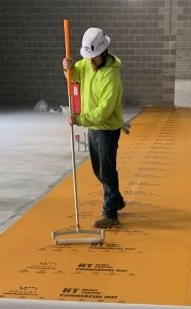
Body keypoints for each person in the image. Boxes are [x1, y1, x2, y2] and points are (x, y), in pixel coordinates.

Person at [62, 27, 125, 229]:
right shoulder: (88, 64)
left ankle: (110, 213)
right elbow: (75, 75)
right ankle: (116, 199)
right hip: (93, 127)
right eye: (88, 57)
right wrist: (68, 68)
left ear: (104, 53)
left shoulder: (111, 76)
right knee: (98, 170)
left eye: (94, 58)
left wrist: (79, 119)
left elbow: (103, 112)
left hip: (107, 129)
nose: (90, 62)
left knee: (106, 170)